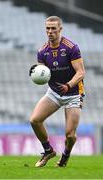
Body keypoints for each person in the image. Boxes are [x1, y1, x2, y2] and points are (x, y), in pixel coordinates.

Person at [29, 16, 85, 167]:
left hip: (73, 93)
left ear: (60, 29)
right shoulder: (42, 51)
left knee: (70, 135)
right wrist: (35, 74)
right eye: (47, 28)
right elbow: (42, 72)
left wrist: (69, 84)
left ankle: (65, 157)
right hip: (54, 92)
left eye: (53, 28)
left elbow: (80, 72)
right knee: (34, 120)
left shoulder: (71, 48)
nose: (50, 31)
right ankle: (48, 151)